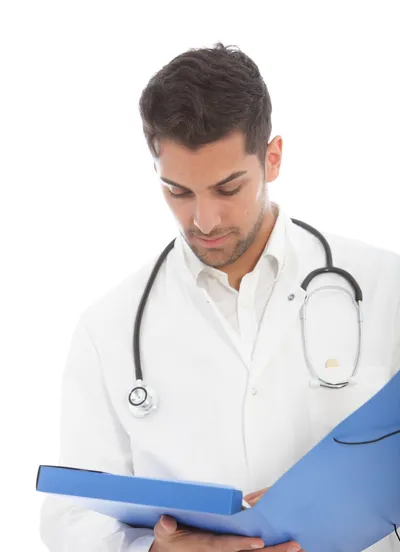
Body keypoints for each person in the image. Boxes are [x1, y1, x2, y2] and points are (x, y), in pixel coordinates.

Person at [39, 42, 400, 552]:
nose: (203, 221)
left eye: (228, 189)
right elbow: (72, 516)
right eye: (178, 192)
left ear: (272, 159)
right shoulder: (109, 329)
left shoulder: (387, 286)